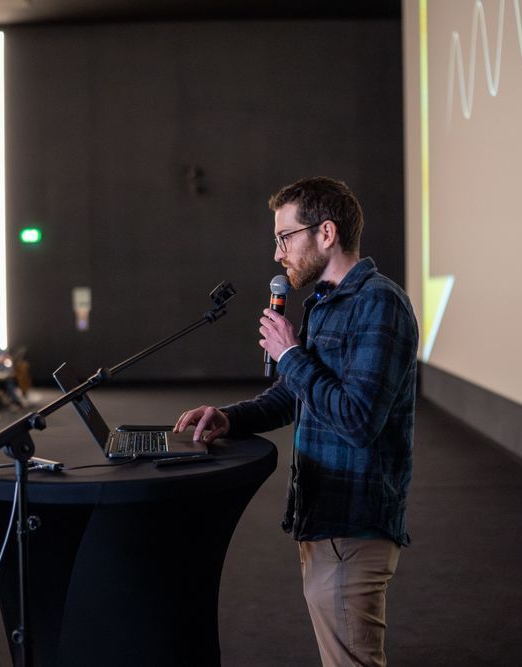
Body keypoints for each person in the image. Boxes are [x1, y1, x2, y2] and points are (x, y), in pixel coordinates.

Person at [174, 177, 418, 667]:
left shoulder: (379, 303)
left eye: (285, 237)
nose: (277, 253)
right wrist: (229, 418)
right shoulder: (325, 304)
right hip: (322, 517)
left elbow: (356, 420)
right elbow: (293, 395)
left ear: (325, 233)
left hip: (354, 522)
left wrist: (289, 353)